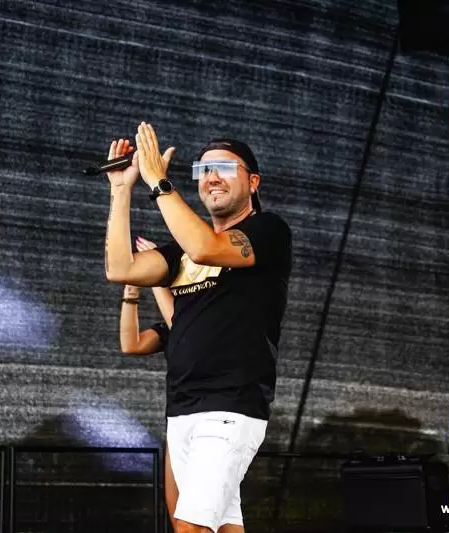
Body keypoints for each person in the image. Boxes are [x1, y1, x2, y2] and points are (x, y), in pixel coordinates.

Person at [104, 122, 292, 533]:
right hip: (183, 406)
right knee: (218, 527)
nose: (211, 177)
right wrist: (121, 189)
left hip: (230, 405)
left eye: (224, 168)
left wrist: (159, 182)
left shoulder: (268, 231)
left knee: (192, 527)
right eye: (203, 170)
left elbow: (208, 248)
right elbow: (121, 269)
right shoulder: (180, 253)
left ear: (253, 182)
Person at [117, 236, 179, 528]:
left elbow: (180, 322)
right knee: (180, 517)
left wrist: (154, 275)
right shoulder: (169, 330)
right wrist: (131, 291)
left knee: (210, 513)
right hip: (179, 420)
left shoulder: (204, 321)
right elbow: (131, 344)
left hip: (215, 418)